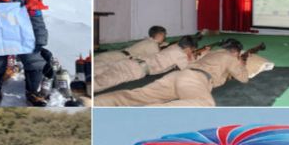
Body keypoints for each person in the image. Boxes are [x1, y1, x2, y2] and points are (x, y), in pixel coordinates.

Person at [95, 40, 253, 106]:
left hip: (177, 76)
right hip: (195, 79)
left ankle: (97, 102)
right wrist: (241, 63)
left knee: (136, 95)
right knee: (204, 104)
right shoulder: (230, 57)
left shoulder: (210, 54)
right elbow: (244, 78)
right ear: (236, 52)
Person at [0, 0, 52, 107]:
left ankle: (32, 92)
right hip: (4, 39)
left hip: (24, 39)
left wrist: (40, 41)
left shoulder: (32, 3)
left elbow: (38, 24)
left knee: (34, 62)